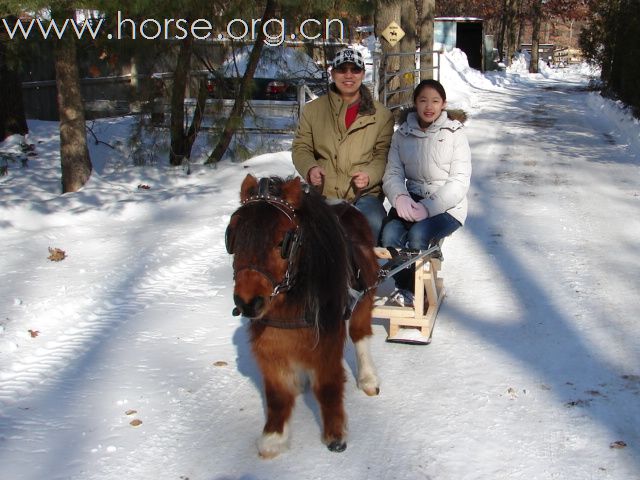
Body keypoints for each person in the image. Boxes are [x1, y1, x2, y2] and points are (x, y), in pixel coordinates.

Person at [381, 79, 472, 306]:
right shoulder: (401, 134)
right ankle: (405, 287)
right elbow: (392, 173)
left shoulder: (454, 133)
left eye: (435, 101)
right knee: (389, 235)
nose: (428, 106)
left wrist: (429, 207)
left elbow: (459, 181)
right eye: (423, 100)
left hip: (448, 207)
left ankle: (419, 288)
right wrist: (399, 197)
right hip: (411, 201)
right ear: (415, 103)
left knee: (418, 235)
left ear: (443, 104)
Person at [292, 47, 394, 244]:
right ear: (332, 73)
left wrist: (369, 175)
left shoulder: (382, 115)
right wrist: (310, 168)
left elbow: (383, 155)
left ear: (363, 74)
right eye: (342, 69)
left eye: (355, 70)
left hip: (363, 196)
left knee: (372, 226)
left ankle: (370, 274)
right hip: (322, 194)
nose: (348, 75)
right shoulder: (313, 110)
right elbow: (301, 147)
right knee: (296, 234)